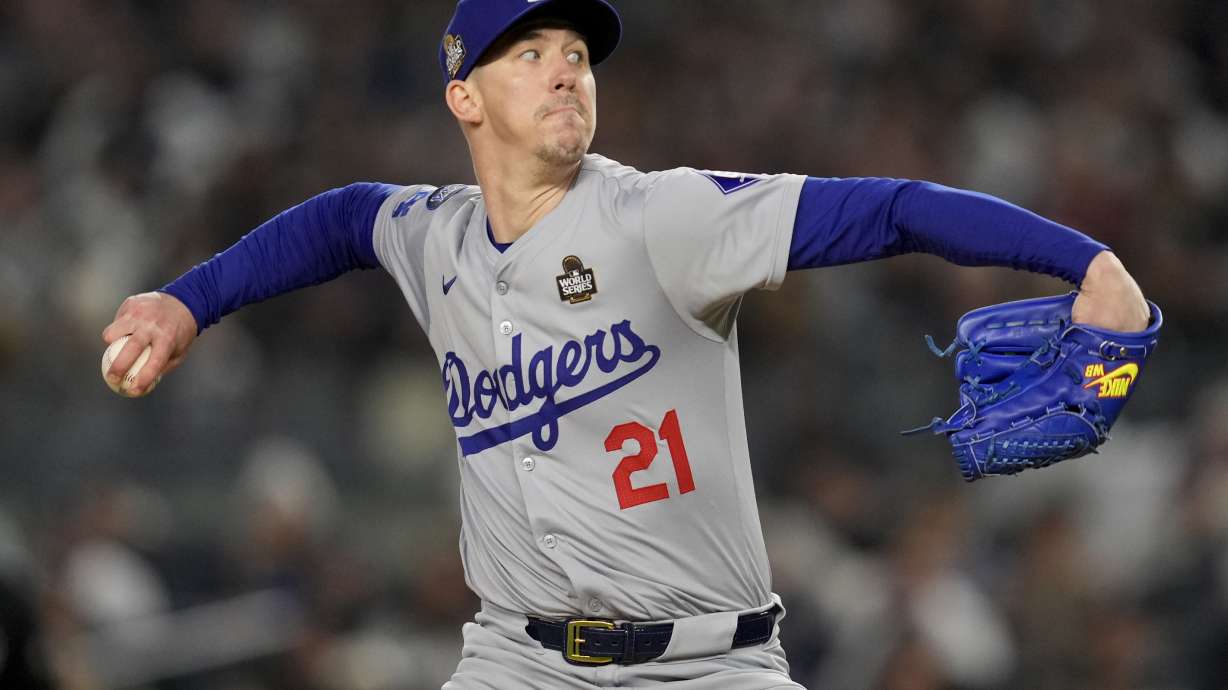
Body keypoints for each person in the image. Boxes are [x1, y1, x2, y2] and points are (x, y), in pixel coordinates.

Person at [101, 0, 1151, 687]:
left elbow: (892, 207)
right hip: (518, 661)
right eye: (529, 54)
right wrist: (186, 303)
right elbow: (336, 221)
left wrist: (1082, 261)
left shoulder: (665, 218)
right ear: (464, 97)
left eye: (575, 53)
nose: (565, 69)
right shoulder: (433, 237)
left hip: (708, 665)